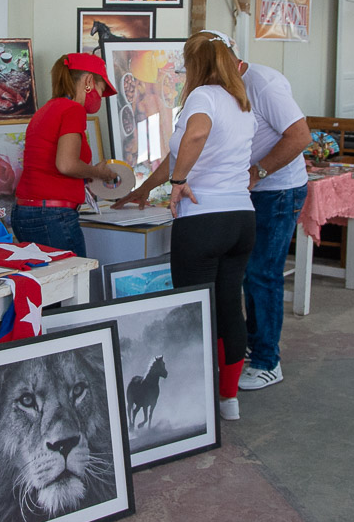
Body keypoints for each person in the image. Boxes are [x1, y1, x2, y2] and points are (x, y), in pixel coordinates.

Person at [114, 31, 257, 421]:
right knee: (229, 307)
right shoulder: (241, 101)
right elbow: (179, 155)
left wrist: (178, 185)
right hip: (241, 219)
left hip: (204, 219)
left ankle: (195, 405)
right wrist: (145, 188)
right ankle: (228, 400)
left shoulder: (203, 96)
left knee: (192, 312)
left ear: (197, 64)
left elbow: (195, 135)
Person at [231, 36, 312, 392]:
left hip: (277, 192)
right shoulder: (230, 85)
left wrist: (258, 171)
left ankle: (267, 361)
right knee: (251, 272)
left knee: (263, 273)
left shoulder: (262, 83)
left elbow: (299, 136)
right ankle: (256, 345)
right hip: (254, 193)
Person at [11, 53, 118, 256]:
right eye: (100, 89)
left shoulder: (46, 109)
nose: (99, 98)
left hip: (24, 212)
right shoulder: (73, 110)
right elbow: (66, 164)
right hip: (52, 215)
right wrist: (98, 173)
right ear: (88, 81)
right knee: (73, 285)